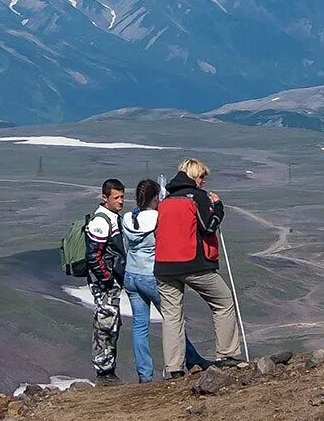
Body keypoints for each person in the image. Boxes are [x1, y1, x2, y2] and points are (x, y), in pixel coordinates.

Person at [154, 158, 245, 378]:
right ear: (196, 175)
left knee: (172, 316)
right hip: (193, 263)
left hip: (164, 267)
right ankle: (228, 354)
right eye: (203, 177)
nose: (204, 181)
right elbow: (209, 225)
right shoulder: (198, 198)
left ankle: (173, 367)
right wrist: (218, 207)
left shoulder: (165, 201)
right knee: (223, 301)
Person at [121, 177, 213, 380]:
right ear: (156, 198)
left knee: (140, 325)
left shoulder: (128, 218)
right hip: (151, 274)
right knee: (173, 319)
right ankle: (190, 359)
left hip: (131, 275)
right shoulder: (158, 218)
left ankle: (145, 374)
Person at [85, 178, 127, 382]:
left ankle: (108, 368)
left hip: (111, 281)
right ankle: (103, 371)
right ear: (105, 197)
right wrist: (108, 278)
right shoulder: (102, 221)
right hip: (104, 284)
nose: (121, 201)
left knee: (112, 324)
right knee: (105, 324)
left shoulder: (113, 217)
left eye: (122, 196)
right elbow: (93, 255)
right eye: (116, 197)